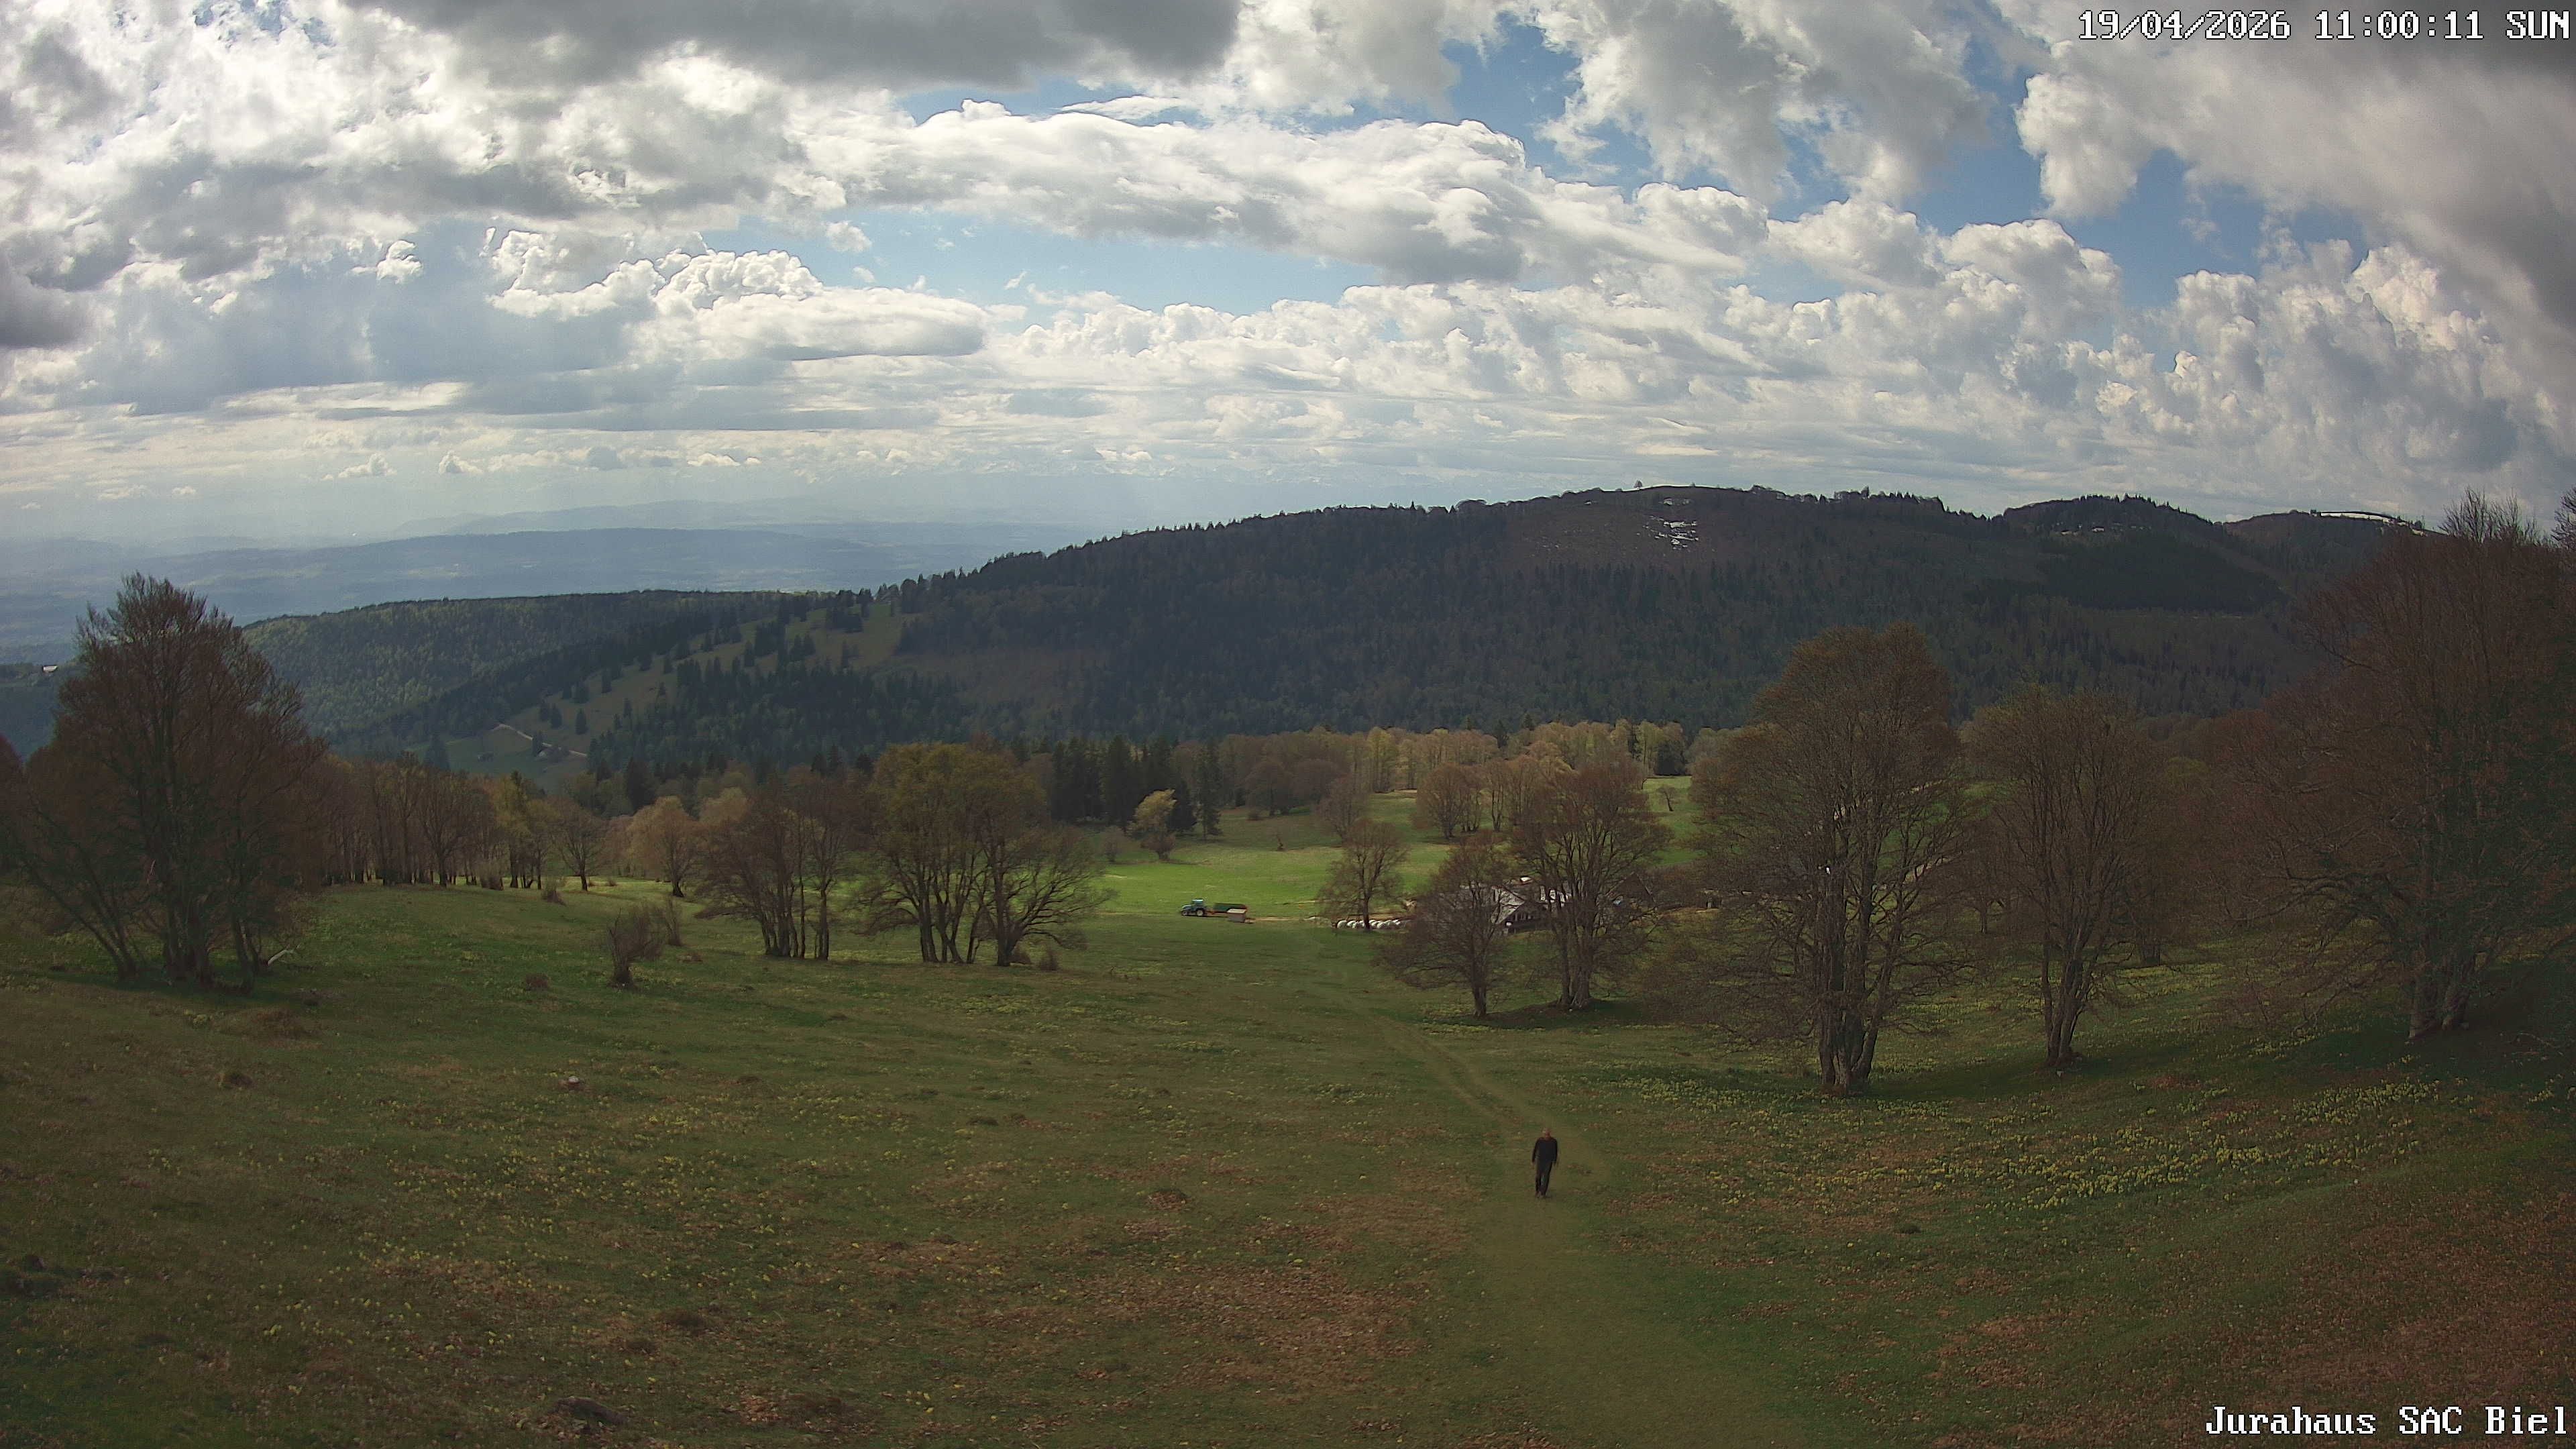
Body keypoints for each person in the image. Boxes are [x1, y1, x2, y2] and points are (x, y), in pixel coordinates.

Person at [1531, 1129, 1560, 1197]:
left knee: (1546, 1177)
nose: (1546, 1136)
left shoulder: (1554, 1141)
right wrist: (1533, 1160)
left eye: (1548, 1134)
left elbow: (1555, 1151)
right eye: (1545, 1135)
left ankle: (1543, 1193)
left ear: (1550, 1134)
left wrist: (1555, 1161)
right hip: (1540, 1161)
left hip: (1548, 1162)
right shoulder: (1540, 1141)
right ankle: (1538, 1190)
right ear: (1543, 1135)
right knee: (1538, 1177)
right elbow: (1535, 1150)